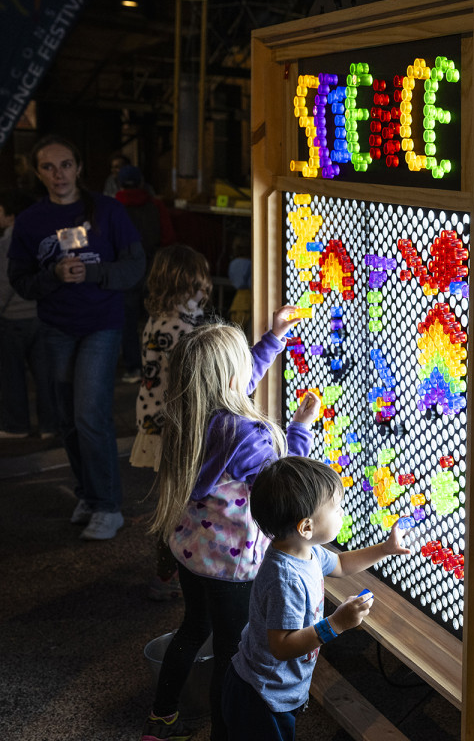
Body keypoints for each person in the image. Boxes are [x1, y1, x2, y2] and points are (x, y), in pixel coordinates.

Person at [141, 316, 320, 741]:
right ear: (230, 375)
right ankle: (224, 734)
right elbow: (282, 488)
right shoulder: (248, 434)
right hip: (233, 568)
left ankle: (160, 718)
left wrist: (274, 339)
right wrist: (300, 429)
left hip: (191, 552)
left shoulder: (189, 410)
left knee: (192, 628)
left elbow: (233, 381)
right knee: (231, 655)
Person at [7, 134, 146, 540]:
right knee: (65, 419)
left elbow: (135, 265)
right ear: (37, 173)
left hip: (101, 325)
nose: (58, 174)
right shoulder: (31, 221)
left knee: (89, 414)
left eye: (65, 164)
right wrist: (52, 276)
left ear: (79, 168)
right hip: (55, 327)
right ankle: (87, 492)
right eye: (48, 167)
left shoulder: (108, 210)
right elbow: (20, 280)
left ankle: (108, 506)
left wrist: (96, 273)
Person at [222, 456, 413, 741]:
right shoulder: (285, 579)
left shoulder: (305, 550)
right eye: (336, 509)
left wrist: (385, 549)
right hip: (262, 695)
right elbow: (281, 646)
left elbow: (342, 565)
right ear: (306, 527)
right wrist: (336, 623)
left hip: (278, 687)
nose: (342, 513)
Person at [128, 244, 212, 601]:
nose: (205, 291)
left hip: (155, 422)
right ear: (183, 287)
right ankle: (168, 573)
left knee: (172, 498)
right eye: (199, 285)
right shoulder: (180, 328)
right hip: (173, 428)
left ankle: (171, 570)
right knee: (175, 503)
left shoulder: (159, 319)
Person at [0, 188, 59, 439]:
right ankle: (50, 425)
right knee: (46, 375)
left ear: (11, 215)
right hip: (42, 315)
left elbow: (5, 282)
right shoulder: (44, 238)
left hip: (13, 318)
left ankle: (16, 426)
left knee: (12, 376)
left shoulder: (7, 241)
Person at [114, 163, 176, 382]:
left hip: (125, 271)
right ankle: (160, 367)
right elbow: (168, 238)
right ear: (142, 182)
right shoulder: (155, 206)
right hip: (154, 269)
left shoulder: (113, 207)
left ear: (119, 183)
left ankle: (133, 368)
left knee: (128, 322)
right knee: (159, 318)